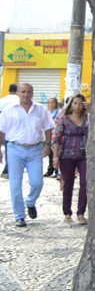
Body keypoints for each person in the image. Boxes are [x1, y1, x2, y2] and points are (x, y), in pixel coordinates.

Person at [0, 83, 55, 227]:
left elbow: (48, 127)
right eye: (23, 91)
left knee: (37, 182)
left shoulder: (40, 109)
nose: (26, 94)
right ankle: (19, 215)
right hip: (14, 149)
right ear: (17, 93)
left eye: (29, 91)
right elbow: (1, 130)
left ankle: (30, 201)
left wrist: (48, 145)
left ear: (32, 93)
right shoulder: (8, 110)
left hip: (35, 150)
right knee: (15, 184)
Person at [53, 94, 89, 224]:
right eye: (75, 103)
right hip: (66, 155)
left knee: (85, 183)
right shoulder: (64, 119)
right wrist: (55, 157)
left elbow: (94, 130)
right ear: (70, 105)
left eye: (81, 103)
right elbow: (56, 139)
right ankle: (67, 213)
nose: (78, 106)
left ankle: (81, 212)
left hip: (84, 155)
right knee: (68, 184)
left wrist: (90, 113)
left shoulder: (87, 119)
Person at [0, 83, 20, 179]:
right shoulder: (19, 100)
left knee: (8, 149)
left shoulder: (3, 100)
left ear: (9, 90)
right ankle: (9, 170)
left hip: (4, 129)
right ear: (17, 91)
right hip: (16, 130)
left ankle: (7, 170)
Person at [44, 97, 62, 177]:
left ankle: (57, 171)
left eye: (52, 103)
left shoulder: (59, 112)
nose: (51, 104)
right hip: (49, 134)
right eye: (49, 103)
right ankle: (50, 170)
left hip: (55, 133)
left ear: (56, 103)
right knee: (50, 153)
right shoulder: (48, 112)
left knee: (56, 152)